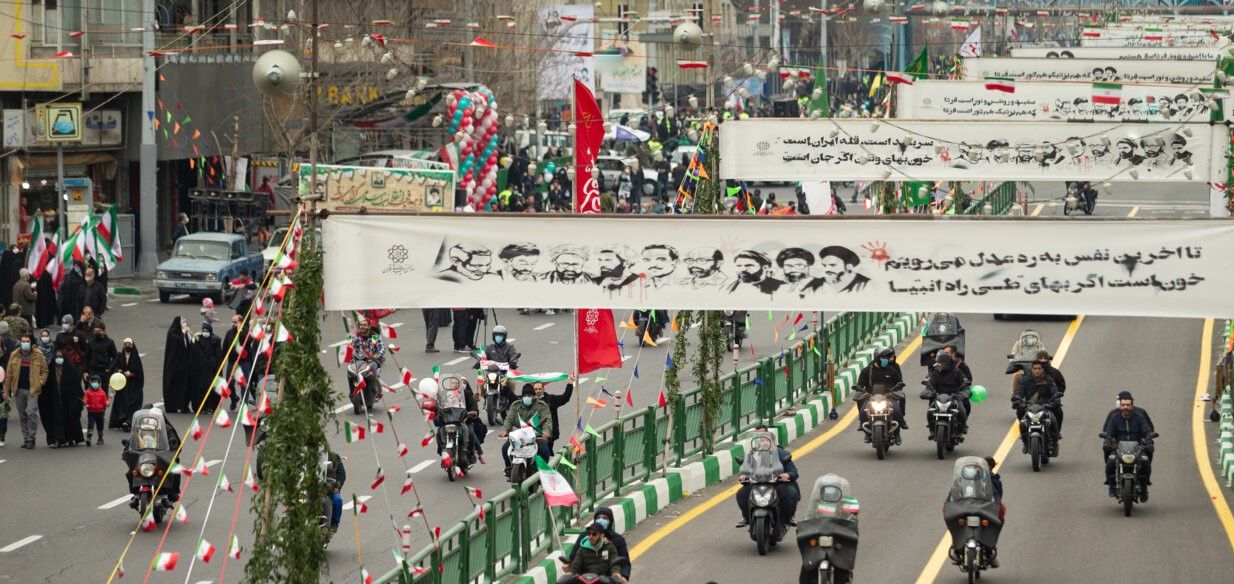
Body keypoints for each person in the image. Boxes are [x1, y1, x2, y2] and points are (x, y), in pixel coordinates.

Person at [735, 426, 800, 533]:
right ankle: (747, 518)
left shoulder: (783, 454)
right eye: (762, 441)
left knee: (790, 493)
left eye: (767, 440)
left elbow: (793, 472)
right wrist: (743, 475)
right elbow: (746, 468)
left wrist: (786, 475)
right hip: (757, 483)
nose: (764, 443)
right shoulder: (753, 454)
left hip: (777, 483)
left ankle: (784, 521)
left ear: (773, 442)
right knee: (741, 493)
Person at [1102, 391, 1155, 499]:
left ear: (1132, 405)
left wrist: (1148, 440)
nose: (1125, 407)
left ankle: (1144, 487)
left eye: (1128, 405)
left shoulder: (1140, 416)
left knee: (1146, 462)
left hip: (1137, 448)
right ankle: (1111, 485)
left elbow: (1147, 430)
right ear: (1120, 405)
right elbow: (1108, 431)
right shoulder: (1114, 417)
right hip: (1119, 448)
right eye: (1123, 405)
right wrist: (1108, 441)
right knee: (1110, 462)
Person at [4, 333, 49, 449]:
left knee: (31, 412)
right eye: (23, 341)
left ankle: (31, 437)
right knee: (23, 415)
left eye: (27, 341)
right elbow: (8, 374)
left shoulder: (38, 354)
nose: (25, 344)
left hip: (33, 389)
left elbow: (44, 370)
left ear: (31, 343)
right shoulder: (14, 355)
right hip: (19, 390)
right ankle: (26, 438)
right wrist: (6, 391)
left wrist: (40, 381)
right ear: (20, 342)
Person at [855, 346, 908, 443]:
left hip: (888, 397)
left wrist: (895, 390)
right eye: (883, 358)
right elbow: (860, 385)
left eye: (887, 358)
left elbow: (899, 383)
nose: (885, 360)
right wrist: (860, 390)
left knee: (896, 410)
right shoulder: (867, 371)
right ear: (877, 358)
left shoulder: (892, 370)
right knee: (863, 411)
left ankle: (897, 431)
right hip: (871, 397)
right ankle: (866, 429)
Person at [562, 507, 631, 580]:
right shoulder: (583, 545)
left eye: (605, 518)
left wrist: (623, 576)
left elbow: (620, 563)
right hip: (585, 579)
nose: (591, 536)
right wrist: (568, 571)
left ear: (602, 535)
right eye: (598, 517)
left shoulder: (614, 543)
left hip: (607, 579)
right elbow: (575, 562)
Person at [499, 385, 553, 471]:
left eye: (529, 395)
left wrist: (546, 432)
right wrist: (504, 430)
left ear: (534, 396)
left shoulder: (542, 406)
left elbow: (547, 421)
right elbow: (509, 420)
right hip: (520, 436)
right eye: (525, 395)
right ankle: (509, 468)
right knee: (505, 448)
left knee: (544, 450)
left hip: (536, 435)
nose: (527, 397)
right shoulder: (516, 406)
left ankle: (543, 471)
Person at [558, 522, 628, 584]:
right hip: (585, 581)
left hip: (604, 581)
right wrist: (567, 576)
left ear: (601, 535)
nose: (591, 536)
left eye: (594, 534)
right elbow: (575, 567)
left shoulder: (610, 547)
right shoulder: (582, 549)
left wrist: (616, 575)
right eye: (589, 533)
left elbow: (614, 566)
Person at [1013, 361, 1061, 445]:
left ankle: (1055, 436)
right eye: (1035, 368)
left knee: (1057, 413)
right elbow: (1020, 393)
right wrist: (1017, 400)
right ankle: (1024, 437)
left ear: (1043, 369)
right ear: (1032, 369)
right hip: (1030, 406)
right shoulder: (1025, 380)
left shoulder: (1049, 380)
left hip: (1046, 406)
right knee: (1020, 413)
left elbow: (1055, 392)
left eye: (1039, 368)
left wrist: (1056, 399)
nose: (1037, 370)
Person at [925, 352, 970, 434]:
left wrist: (963, 393)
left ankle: (961, 429)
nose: (938, 366)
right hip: (938, 398)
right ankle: (932, 429)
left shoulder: (957, 372)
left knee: (962, 411)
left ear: (946, 364)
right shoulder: (935, 373)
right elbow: (929, 385)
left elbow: (965, 384)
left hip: (954, 398)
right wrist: (928, 392)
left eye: (940, 364)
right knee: (930, 412)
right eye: (937, 364)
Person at [108, 338, 144, 431]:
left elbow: (139, 372)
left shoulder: (136, 357)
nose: (127, 346)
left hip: (134, 385)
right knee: (122, 404)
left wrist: (131, 374)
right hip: (123, 385)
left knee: (134, 404)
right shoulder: (120, 356)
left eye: (129, 344)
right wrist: (120, 372)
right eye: (125, 344)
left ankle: (129, 422)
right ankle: (122, 421)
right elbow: (114, 367)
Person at [534, 376, 574, 452]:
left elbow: (565, 398)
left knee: (545, 453)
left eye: (540, 389)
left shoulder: (551, 399)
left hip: (549, 434)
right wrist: (506, 387)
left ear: (543, 389)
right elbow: (514, 399)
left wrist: (570, 384)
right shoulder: (530, 400)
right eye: (536, 389)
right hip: (534, 434)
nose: (538, 391)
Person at [190, 323, 224, 413]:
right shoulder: (199, 340)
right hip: (201, 371)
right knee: (201, 389)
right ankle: (201, 407)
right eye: (203, 331)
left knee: (211, 389)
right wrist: (194, 339)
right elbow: (194, 352)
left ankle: (210, 406)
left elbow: (218, 356)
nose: (204, 333)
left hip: (211, 370)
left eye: (206, 331)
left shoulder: (215, 341)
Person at [162, 317, 193, 413]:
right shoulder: (172, 334)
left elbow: (190, 344)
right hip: (174, 367)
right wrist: (183, 333)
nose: (185, 324)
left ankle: (183, 405)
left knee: (185, 387)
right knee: (174, 387)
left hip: (184, 366)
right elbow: (176, 343)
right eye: (183, 322)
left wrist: (187, 334)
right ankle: (172, 406)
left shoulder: (183, 334)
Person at [221, 315, 245, 410]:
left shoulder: (244, 332)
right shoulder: (229, 333)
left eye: (235, 322)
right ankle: (234, 397)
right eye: (232, 322)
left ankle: (244, 403)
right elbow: (225, 348)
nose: (233, 324)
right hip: (232, 361)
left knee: (243, 383)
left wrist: (240, 332)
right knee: (229, 383)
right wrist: (222, 360)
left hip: (242, 362)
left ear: (240, 323)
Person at [325, 449, 347, 535]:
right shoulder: (311, 457)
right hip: (314, 487)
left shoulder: (334, 457)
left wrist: (337, 486)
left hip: (330, 487)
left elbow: (341, 474)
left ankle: (334, 523)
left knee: (337, 500)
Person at [83, 375, 108, 446]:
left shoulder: (102, 393)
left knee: (100, 426)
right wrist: (85, 401)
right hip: (91, 412)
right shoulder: (87, 392)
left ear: (99, 383)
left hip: (100, 412)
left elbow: (105, 401)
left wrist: (107, 403)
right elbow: (86, 400)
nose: (95, 384)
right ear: (90, 383)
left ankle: (100, 438)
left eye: (96, 382)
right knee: (90, 425)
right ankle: (89, 438)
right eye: (93, 382)